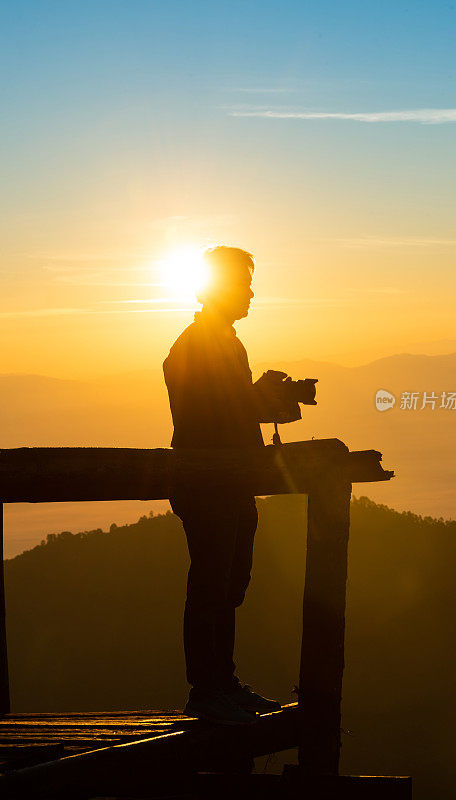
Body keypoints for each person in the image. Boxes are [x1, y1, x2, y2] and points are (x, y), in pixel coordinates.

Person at [163, 245, 283, 725]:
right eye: (243, 285)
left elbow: (230, 407)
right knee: (212, 583)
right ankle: (208, 690)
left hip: (232, 483)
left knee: (228, 583)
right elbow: (212, 412)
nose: (251, 294)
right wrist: (264, 399)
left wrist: (268, 398)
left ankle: (222, 683)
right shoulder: (196, 345)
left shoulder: (224, 342)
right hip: (209, 483)